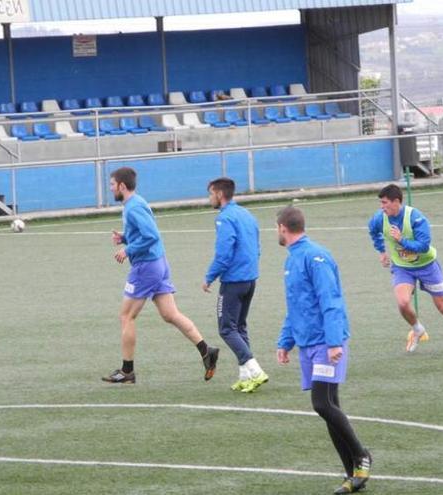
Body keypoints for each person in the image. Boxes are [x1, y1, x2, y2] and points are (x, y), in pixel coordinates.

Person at [275, 207, 372, 495]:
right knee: (330, 408)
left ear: (282, 227)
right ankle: (352, 474)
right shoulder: (293, 259)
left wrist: (333, 343)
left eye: (275, 228)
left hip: (324, 344)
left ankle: (361, 455)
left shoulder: (315, 257)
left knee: (322, 403)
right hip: (308, 343)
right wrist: (285, 341)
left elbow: (330, 300)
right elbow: (296, 305)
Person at [103, 166, 219, 383]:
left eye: (111, 185)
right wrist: (126, 237)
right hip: (158, 264)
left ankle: (127, 371)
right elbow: (143, 233)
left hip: (146, 267)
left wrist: (128, 249)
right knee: (170, 314)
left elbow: (152, 236)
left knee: (126, 316)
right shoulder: (135, 203)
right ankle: (207, 350)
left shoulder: (133, 207)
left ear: (121, 185)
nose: (110, 189)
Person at [367, 184, 443, 352]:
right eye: (381, 203)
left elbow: (423, 246)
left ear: (396, 201)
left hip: (427, 266)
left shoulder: (416, 218)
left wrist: (401, 240)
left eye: (385, 203)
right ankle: (417, 330)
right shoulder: (379, 218)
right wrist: (381, 252)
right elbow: (373, 232)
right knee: (402, 303)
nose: (382, 207)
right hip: (402, 267)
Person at [202, 177, 268, 392]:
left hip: (233, 281)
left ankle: (255, 369)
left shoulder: (225, 218)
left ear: (219, 194)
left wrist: (209, 277)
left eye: (211, 194)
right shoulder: (247, 214)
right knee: (239, 327)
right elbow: (257, 246)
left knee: (226, 329)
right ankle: (245, 375)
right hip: (250, 280)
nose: (209, 198)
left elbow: (223, 253)